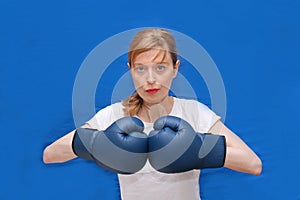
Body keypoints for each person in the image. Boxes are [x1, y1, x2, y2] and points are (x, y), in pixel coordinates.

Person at [43, 28, 262, 200]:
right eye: (140, 68)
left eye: (160, 67)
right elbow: (50, 154)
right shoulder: (114, 115)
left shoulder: (194, 113)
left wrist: (198, 149)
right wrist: (96, 145)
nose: (150, 79)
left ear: (175, 69)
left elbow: (253, 164)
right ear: (130, 69)